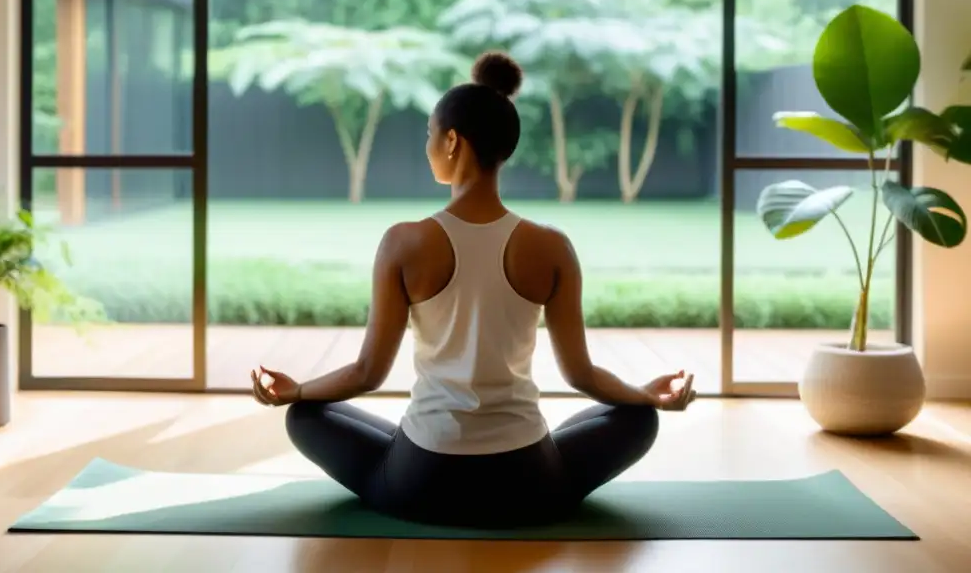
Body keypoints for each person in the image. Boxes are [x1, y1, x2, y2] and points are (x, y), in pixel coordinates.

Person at [250, 51, 696, 529]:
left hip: (422, 479)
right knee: (637, 419)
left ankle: (405, 487)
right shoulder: (552, 246)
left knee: (306, 416)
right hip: (529, 481)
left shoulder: (404, 241)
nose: (426, 147)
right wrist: (643, 396)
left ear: (452, 141)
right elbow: (581, 375)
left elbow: (367, 372)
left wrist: (297, 390)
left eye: (428, 135)